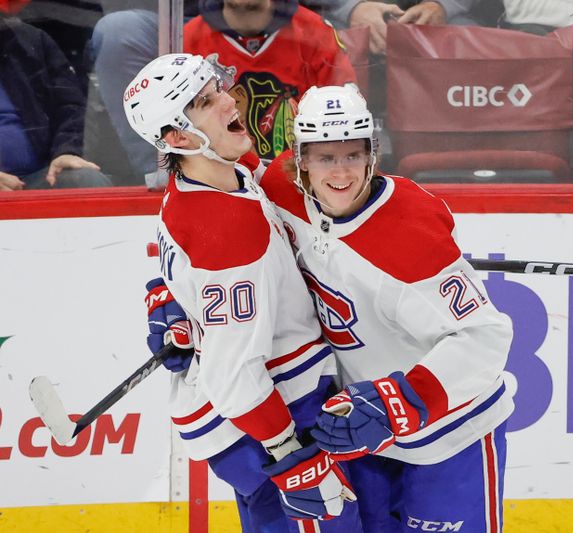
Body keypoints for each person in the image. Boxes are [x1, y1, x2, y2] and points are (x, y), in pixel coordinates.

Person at [258, 84, 515, 531]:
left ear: (371, 154)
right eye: (324, 157)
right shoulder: (280, 190)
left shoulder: (411, 236)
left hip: (450, 435)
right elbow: (224, 216)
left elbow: (486, 336)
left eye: (352, 155)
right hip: (363, 432)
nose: (340, 172)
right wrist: (179, 291)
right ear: (300, 159)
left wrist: (400, 402)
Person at [124, 54, 363, 531]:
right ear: (177, 137)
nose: (228, 100)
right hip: (278, 420)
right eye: (205, 101)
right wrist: (289, 456)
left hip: (254, 420)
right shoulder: (229, 231)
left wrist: (168, 298)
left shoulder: (208, 179)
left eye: (219, 88)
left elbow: (188, 268)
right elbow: (234, 374)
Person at [183, 0, 357, 162]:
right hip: (220, 181)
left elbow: (346, 121)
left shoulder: (315, 32)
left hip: (301, 178)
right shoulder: (187, 39)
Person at [0, 13, 111, 191]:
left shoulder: (30, 42)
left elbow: (72, 106)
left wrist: (67, 150)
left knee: (87, 180)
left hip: (39, 177)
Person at [325, 0, 482, 55]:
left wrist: (442, 6)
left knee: (467, 40)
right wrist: (351, 8)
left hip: (435, 17)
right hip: (338, 16)